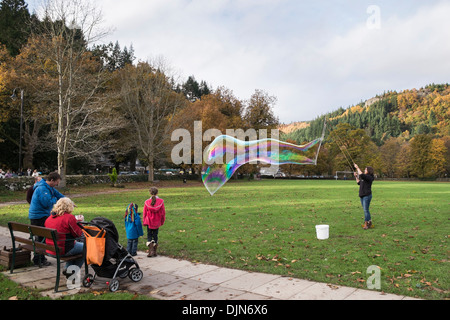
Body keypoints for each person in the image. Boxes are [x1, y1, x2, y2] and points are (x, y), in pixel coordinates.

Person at [28, 172, 65, 266]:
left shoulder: (49, 188)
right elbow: (47, 203)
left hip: (41, 215)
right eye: (57, 182)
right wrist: (55, 199)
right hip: (38, 217)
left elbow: (59, 195)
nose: (57, 184)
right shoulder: (42, 188)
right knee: (41, 238)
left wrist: (67, 201)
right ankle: (38, 259)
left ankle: (40, 258)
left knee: (41, 237)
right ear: (52, 180)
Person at [45, 197, 84, 278]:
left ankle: (68, 269)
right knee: (87, 248)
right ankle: (72, 271)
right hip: (62, 249)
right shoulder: (69, 217)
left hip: (50, 248)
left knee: (75, 246)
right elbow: (78, 234)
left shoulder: (49, 218)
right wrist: (80, 223)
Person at [143, 187, 166, 257]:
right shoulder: (161, 201)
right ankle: (154, 251)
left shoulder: (147, 202)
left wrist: (144, 221)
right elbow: (163, 212)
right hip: (157, 221)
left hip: (149, 221)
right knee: (155, 235)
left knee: (149, 235)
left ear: (150, 193)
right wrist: (162, 221)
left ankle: (150, 251)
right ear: (157, 193)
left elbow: (145, 213)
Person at [354, 164, 375, 230]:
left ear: (369, 171)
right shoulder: (364, 178)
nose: (364, 170)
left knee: (366, 210)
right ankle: (369, 222)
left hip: (367, 196)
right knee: (365, 210)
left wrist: (357, 167)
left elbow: (361, 175)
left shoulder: (369, 177)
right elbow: (359, 183)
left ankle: (366, 224)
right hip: (362, 195)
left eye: (365, 169)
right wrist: (356, 177)